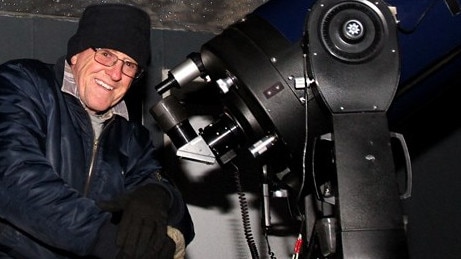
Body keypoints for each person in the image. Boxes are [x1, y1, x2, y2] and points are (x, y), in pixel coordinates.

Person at [0, 3, 194, 258]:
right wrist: (103, 238)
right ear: (77, 54)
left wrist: (158, 196)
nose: (115, 73)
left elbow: (179, 215)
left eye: (129, 64)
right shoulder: (24, 83)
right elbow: (14, 174)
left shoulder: (131, 137)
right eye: (105, 54)